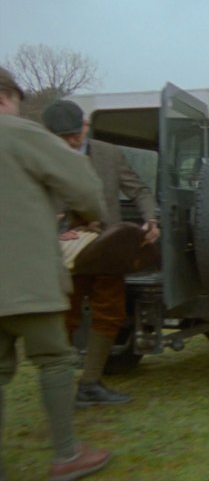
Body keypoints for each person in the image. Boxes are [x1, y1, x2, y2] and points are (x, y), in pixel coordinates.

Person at [0, 67, 111, 480]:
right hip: (24, 277)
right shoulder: (17, 132)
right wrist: (94, 218)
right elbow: (82, 183)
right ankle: (67, 454)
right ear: (5, 97)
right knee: (55, 360)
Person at [42, 99, 160, 407]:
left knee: (110, 312)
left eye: (75, 133)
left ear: (85, 125)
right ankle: (59, 385)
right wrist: (53, 229)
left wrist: (150, 219)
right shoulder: (39, 156)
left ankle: (90, 383)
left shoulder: (108, 153)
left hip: (106, 247)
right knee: (63, 317)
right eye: (62, 136)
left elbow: (140, 190)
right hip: (64, 252)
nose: (71, 141)